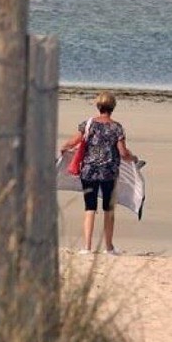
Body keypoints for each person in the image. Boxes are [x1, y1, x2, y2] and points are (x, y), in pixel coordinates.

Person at [60, 90, 138, 255]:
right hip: (109, 173)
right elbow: (123, 153)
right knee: (108, 209)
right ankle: (108, 247)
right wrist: (134, 158)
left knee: (89, 208)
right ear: (113, 107)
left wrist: (63, 149)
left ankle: (87, 247)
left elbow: (73, 141)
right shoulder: (117, 128)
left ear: (98, 105)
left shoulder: (88, 124)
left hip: (88, 171)